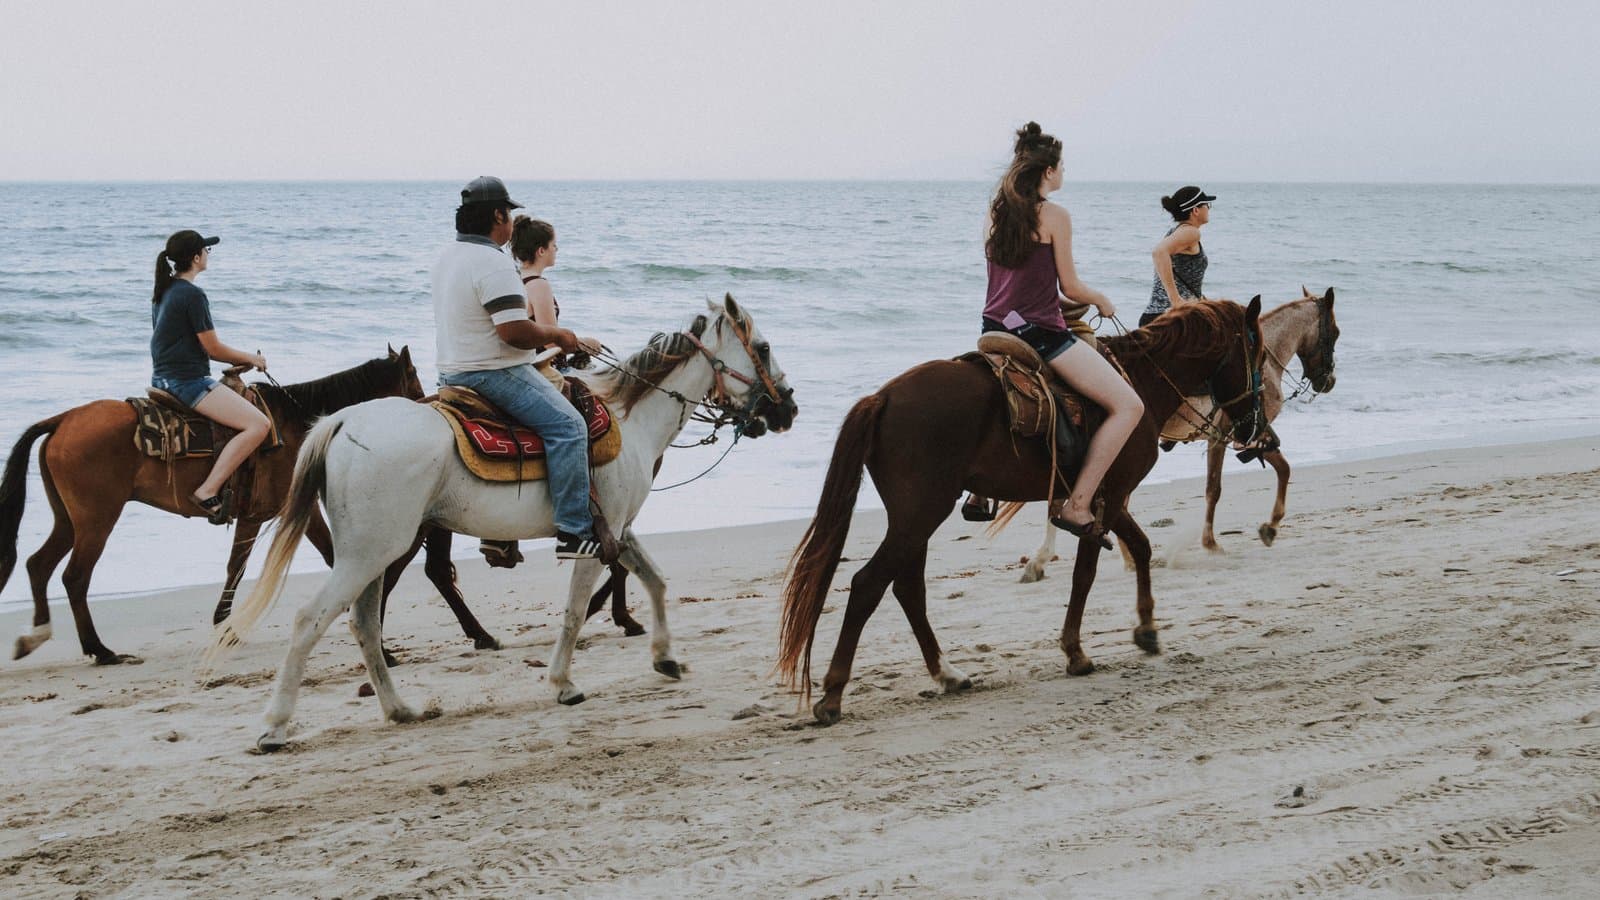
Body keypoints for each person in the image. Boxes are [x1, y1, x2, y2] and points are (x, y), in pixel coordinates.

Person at [973, 122, 1144, 548]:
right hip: (1040, 335)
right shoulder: (1055, 216)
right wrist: (1101, 300)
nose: (1064, 172)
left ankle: (981, 488)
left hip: (994, 328)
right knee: (1128, 405)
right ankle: (1079, 504)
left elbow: (1010, 285)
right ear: (1047, 171)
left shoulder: (996, 213)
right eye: (1061, 165)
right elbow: (1070, 286)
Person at [431, 177, 600, 560]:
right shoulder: (492, 261)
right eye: (508, 213)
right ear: (497, 215)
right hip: (493, 372)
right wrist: (562, 335)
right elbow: (514, 332)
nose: (510, 222)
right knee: (569, 426)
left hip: (449, 373)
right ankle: (574, 531)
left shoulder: (446, 256)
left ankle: (501, 529)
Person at [150, 229, 271, 525]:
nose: (208, 255)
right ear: (195, 258)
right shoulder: (192, 295)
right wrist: (251, 358)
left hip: (163, 377)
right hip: (187, 381)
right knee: (259, 424)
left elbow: (181, 344)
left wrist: (234, 361)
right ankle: (208, 490)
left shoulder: (165, 290)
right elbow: (212, 348)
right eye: (206, 250)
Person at [508, 216, 601, 366]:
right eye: (553, 245)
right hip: (543, 366)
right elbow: (551, 344)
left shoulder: (515, 278)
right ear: (541, 251)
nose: (556, 249)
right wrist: (585, 343)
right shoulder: (538, 285)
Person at [1139, 186, 1214, 327]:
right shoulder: (1191, 232)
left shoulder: (1177, 232)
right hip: (1171, 320)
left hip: (1158, 316)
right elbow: (1159, 252)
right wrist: (1175, 299)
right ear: (1195, 210)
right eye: (1206, 205)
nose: (1209, 209)